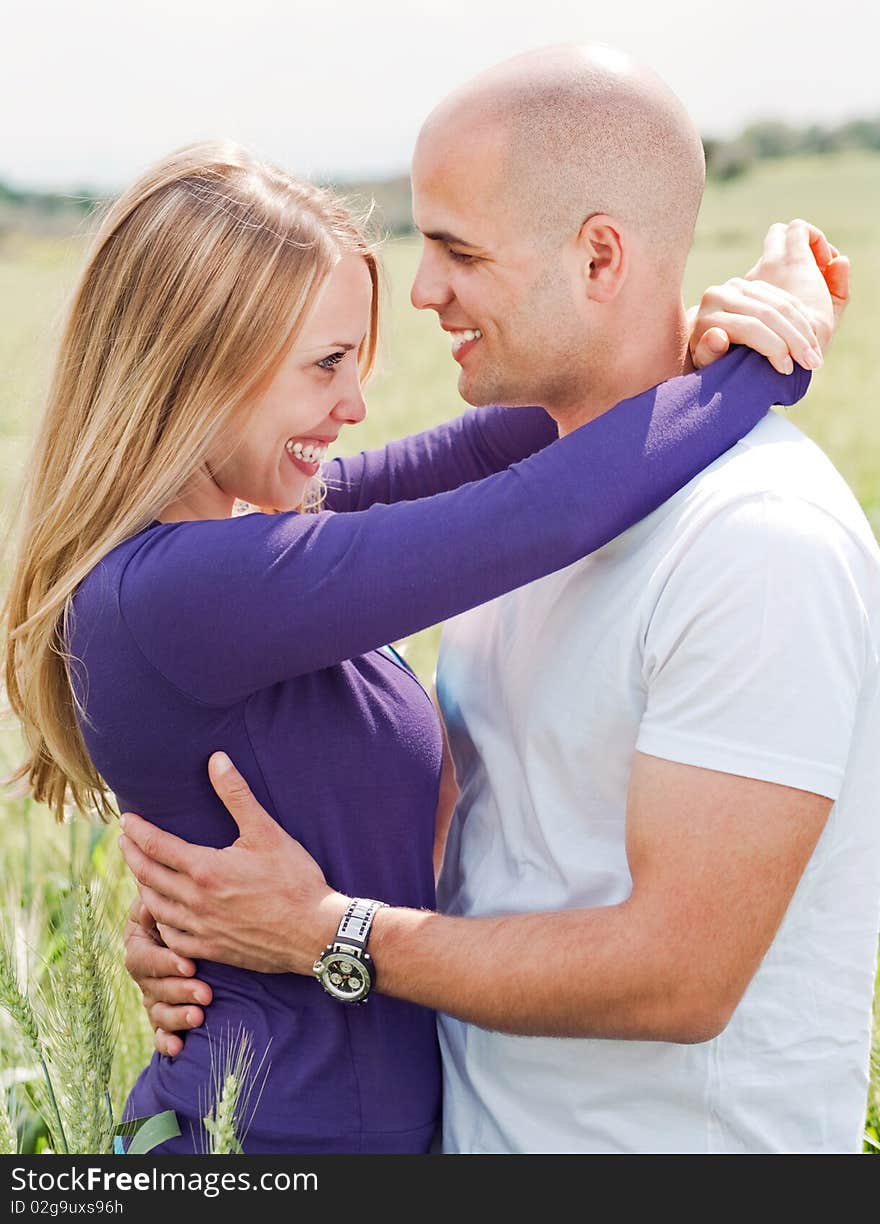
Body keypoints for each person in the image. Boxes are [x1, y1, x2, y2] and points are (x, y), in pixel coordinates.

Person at [117, 43, 878, 1158]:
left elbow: (679, 978)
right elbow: (481, 838)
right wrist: (223, 939)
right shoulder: (508, 515)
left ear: (600, 258)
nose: (423, 291)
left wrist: (323, 935)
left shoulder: (755, 540)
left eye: (456, 250)